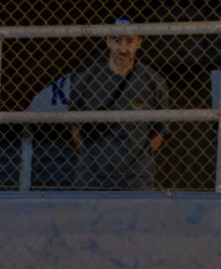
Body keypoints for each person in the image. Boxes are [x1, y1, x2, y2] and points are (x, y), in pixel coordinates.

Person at [45, 16, 171, 190]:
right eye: (117, 41)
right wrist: (91, 160)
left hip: (135, 178)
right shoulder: (86, 78)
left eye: (129, 41)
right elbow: (75, 127)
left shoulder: (153, 82)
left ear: (139, 42)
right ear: (108, 41)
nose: (123, 49)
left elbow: (158, 133)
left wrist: (136, 161)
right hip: (91, 176)